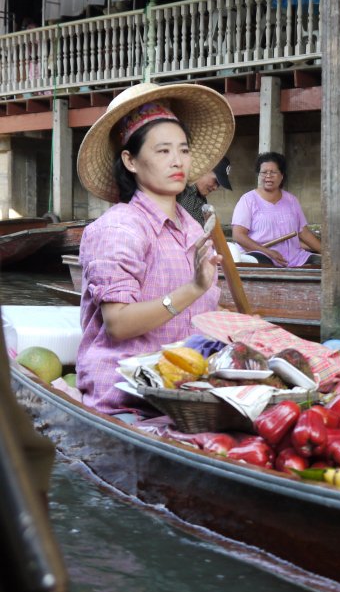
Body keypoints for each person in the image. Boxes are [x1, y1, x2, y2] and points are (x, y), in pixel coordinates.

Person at [75, 82, 235, 413]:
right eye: (163, 151)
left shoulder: (192, 228)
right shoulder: (119, 229)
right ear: (130, 160)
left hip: (186, 396)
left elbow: (199, 317)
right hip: (127, 400)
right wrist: (193, 289)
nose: (177, 161)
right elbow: (117, 324)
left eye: (184, 150)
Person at [231, 151, 322, 267]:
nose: (268, 176)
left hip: (294, 257)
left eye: (273, 172)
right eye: (264, 172)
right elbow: (238, 235)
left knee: (322, 265)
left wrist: (327, 253)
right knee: (263, 266)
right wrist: (268, 252)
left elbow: (303, 233)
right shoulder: (248, 200)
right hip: (261, 254)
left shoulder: (291, 200)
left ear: (282, 175)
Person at [176, 156, 232, 225]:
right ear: (204, 169)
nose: (215, 188)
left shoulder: (202, 200)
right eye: (215, 181)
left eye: (218, 185)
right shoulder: (177, 189)